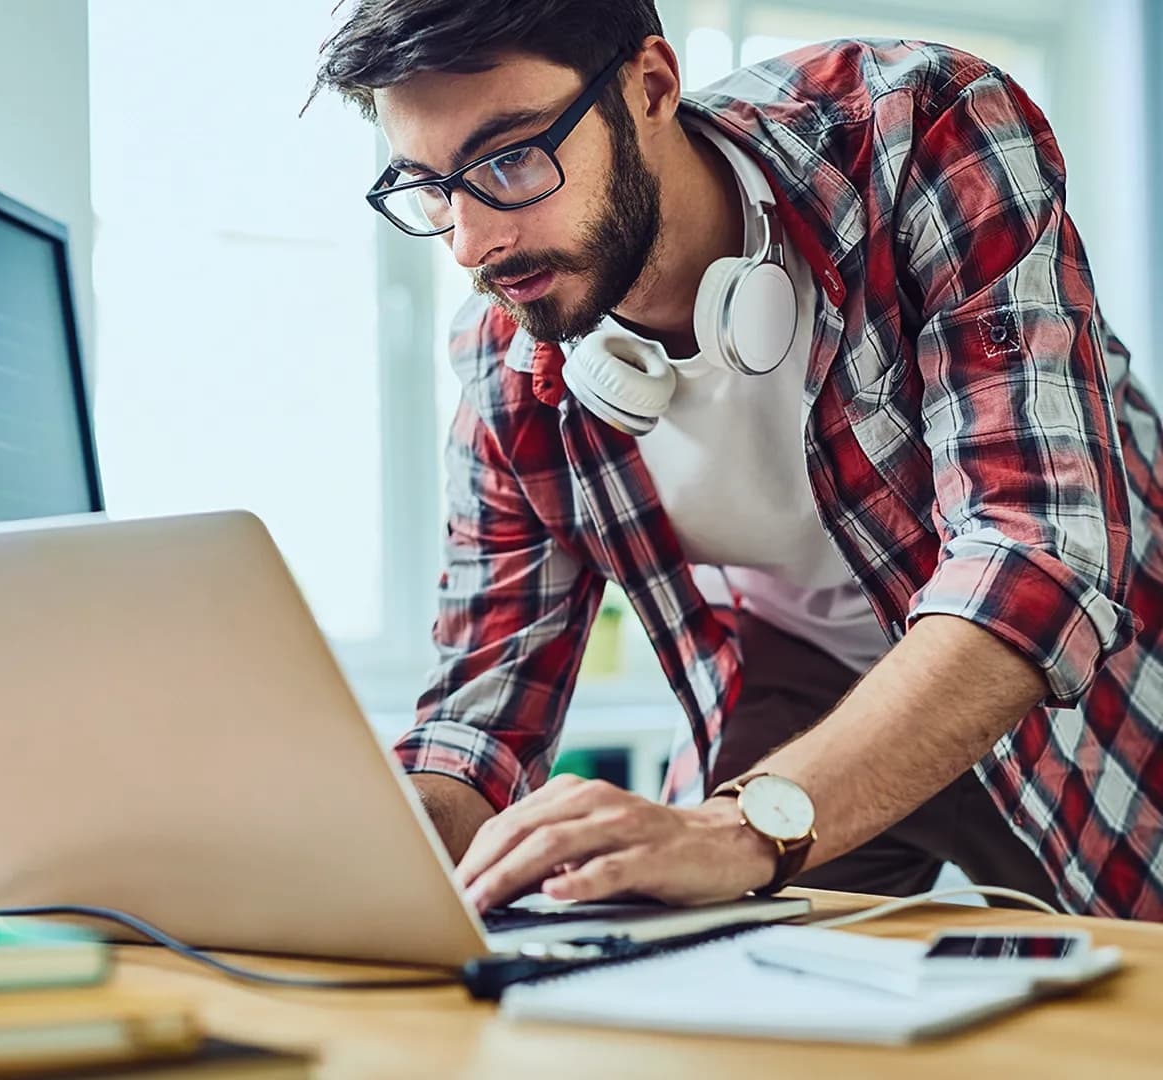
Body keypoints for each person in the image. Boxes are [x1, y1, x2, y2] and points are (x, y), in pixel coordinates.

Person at [312, 0, 1163, 919]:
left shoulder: (919, 125)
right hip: (797, 685)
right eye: (432, 189)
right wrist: (328, 857)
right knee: (721, 991)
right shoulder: (505, 354)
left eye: (513, 158)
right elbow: (483, 712)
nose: (473, 247)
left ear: (650, 86)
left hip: (1085, 670)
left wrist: (740, 831)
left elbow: (1034, 551)